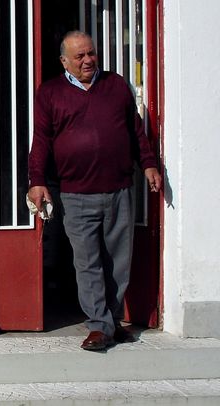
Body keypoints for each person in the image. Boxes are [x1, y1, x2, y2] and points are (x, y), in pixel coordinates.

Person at [28, 30, 163, 351]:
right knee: (87, 262)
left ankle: (111, 322)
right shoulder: (50, 93)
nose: (88, 60)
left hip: (119, 189)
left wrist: (148, 163)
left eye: (91, 54)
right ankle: (100, 325)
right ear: (64, 61)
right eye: (80, 56)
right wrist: (36, 180)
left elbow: (135, 131)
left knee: (118, 260)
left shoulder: (115, 86)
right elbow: (42, 139)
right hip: (75, 194)